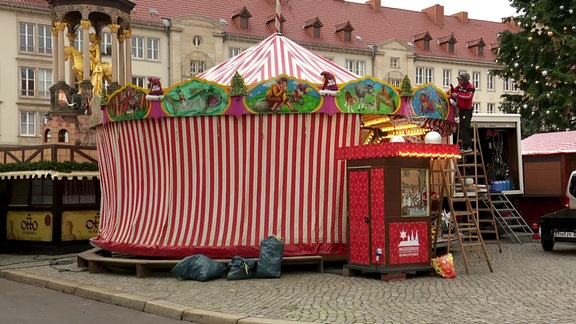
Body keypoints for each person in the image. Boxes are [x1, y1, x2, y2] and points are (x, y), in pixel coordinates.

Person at [451, 72, 475, 153]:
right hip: (461, 109)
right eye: (459, 80)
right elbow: (455, 90)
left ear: (465, 80)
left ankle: (467, 146)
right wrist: (451, 88)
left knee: (464, 127)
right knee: (462, 127)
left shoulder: (470, 87)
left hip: (467, 109)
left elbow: (468, 96)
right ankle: (465, 146)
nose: (459, 81)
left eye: (461, 80)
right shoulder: (460, 86)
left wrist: (457, 95)